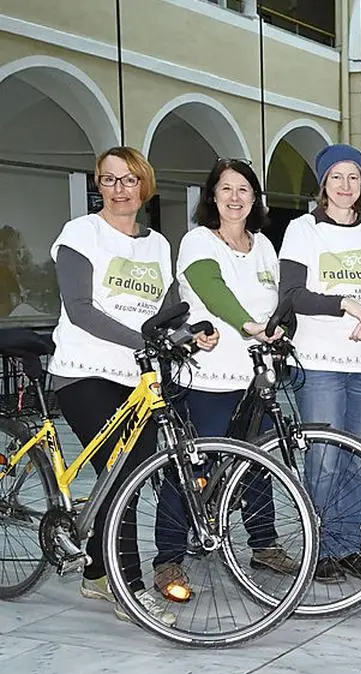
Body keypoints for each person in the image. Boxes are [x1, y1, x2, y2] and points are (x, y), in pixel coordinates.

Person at [48, 146, 218, 626]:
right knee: (121, 476)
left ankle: (98, 574)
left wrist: (194, 330)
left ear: (145, 185)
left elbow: (169, 310)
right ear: (97, 185)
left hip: (137, 376)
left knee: (129, 478)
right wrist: (143, 340)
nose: (119, 189)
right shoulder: (82, 233)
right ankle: (129, 586)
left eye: (128, 179)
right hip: (86, 369)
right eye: (108, 180)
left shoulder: (158, 245)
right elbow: (80, 307)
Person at [152, 158, 300, 601]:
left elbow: (278, 301)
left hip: (256, 376)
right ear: (212, 197)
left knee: (260, 462)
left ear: (255, 199)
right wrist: (248, 325)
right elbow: (211, 287)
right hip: (207, 377)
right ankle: (168, 559)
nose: (235, 198)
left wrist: (279, 330)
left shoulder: (263, 248)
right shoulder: (199, 240)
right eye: (226, 189)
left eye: (244, 190)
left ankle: (264, 544)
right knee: (190, 467)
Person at [278, 143, 361, 582]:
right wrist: (346, 303)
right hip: (320, 362)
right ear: (323, 184)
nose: (345, 186)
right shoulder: (302, 230)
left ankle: (348, 546)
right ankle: (320, 548)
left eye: (353, 177)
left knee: (359, 458)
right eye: (337, 177)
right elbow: (292, 295)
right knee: (326, 458)